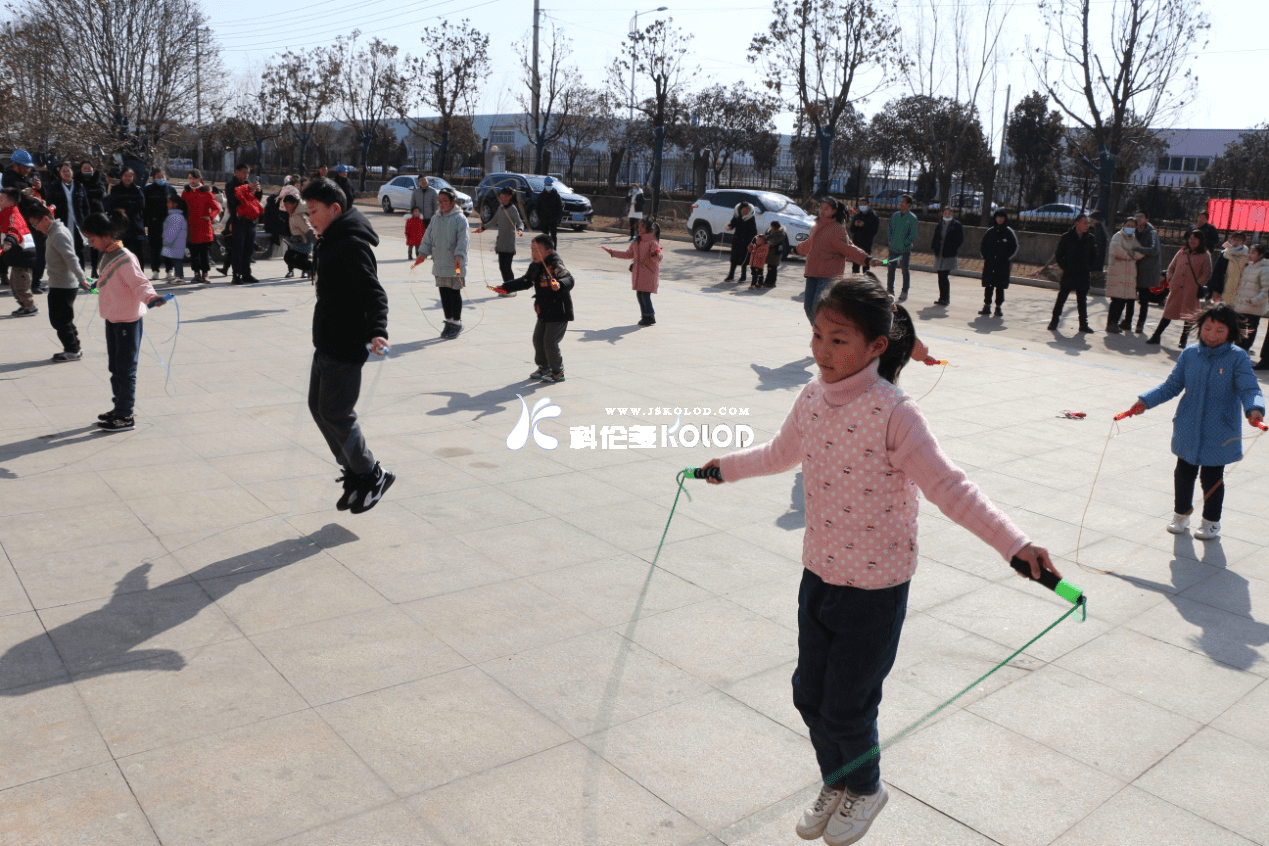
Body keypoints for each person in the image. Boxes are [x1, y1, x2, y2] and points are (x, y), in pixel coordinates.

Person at [698, 275, 1057, 846]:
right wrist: (726, 467)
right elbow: (779, 453)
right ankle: (836, 780)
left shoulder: (894, 414)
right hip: (819, 574)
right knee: (808, 695)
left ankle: (865, 788)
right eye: (817, 335)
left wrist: (1014, 544)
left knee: (848, 706)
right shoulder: (811, 397)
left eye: (838, 340)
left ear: (876, 347)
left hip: (875, 590)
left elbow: (950, 488)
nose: (822, 351)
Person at [1126, 303, 1264, 541]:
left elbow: (1250, 388)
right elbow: (1171, 385)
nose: (1212, 335)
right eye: (1207, 328)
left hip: (1220, 430)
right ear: (1200, 327)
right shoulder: (1190, 354)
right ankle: (1181, 515)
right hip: (1188, 425)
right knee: (1183, 473)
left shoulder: (1237, 357)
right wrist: (1145, 401)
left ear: (1230, 332)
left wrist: (1255, 409)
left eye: (1220, 330)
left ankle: (1211, 522)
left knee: (1212, 478)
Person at [300, 177, 394, 514]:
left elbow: (374, 292)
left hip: (346, 343)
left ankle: (371, 473)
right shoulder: (331, 238)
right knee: (319, 408)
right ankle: (356, 471)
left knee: (336, 413)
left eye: (314, 211)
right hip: (327, 340)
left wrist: (377, 330)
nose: (309, 218)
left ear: (335, 209)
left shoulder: (351, 244)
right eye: (307, 211)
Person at [84, 209, 168, 431]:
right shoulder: (109, 254)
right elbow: (110, 280)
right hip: (113, 319)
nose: (91, 244)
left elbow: (140, 283)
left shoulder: (125, 258)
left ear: (105, 235)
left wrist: (151, 297)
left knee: (125, 369)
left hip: (127, 321)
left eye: (92, 239)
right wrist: (95, 284)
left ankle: (125, 415)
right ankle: (119, 407)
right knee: (115, 367)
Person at [492, 234, 575, 383]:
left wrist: (559, 284)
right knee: (538, 339)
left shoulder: (555, 264)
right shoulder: (535, 266)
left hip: (559, 311)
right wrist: (505, 287)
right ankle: (544, 367)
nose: (533, 254)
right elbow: (526, 281)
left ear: (548, 251)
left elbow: (569, 279)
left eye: (537, 250)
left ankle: (557, 372)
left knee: (550, 341)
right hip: (543, 310)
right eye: (532, 250)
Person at [26, 203, 88, 360]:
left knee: (60, 320)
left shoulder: (58, 234)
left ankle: (72, 350)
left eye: (35, 224)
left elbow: (71, 258)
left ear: (46, 219)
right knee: (64, 319)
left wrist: (81, 277)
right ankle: (74, 347)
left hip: (63, 285)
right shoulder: (55, 232)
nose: (35, 228)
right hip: (59, 283)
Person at [797, 197, 872, 323]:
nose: (822, 211)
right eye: (821, 208)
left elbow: (848, 248)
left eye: (826, 209)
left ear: (834, 211)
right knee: (808, 307)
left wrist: (866, 259)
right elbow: (810, 243)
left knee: (817, 307)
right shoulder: (817, 226)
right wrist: (797, 249)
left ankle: (823, 332)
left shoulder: (838, 229)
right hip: (813, 271)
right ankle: (821, 331)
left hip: (828, 274)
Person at [415, 187, 471, 339]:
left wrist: (459, 255)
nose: (441, 204)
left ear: (453, 202)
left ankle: (456, 322)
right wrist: (423, 253)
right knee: (444, 293)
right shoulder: (435, 218)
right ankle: (448, 321)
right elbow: (428, 237)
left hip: (455, 264)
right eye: (439, 201)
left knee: (454, 293)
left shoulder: (460, 219)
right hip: (439, 263)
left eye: (445, 201)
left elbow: (464, 239)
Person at [1147, 229, 1210, 348]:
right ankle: (1156, 335)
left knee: (1189, 316)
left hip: (1191, 291)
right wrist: (1171, 280)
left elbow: (1206, 274)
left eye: (1195, 238)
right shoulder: (1182, 252)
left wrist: (1197, 285)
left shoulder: (1205, 256)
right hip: (1176, 288)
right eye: (1190, 238)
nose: (1191, 240)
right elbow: (1171, 268)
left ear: (1200, 241)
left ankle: (1183, 339)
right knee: (1168, 312)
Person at [601, 218, 661, 325]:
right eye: (639, 226)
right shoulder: (637, 242)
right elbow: (628, 254)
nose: (639, 228)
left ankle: (650, 316)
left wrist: (655, 255)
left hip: (649, 273)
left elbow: (659, 257)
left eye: (642, 226)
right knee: (640, 295)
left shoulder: (653, 242)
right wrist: (612, 252)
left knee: (645, 295)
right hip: (639, 273)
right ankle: (645, 316)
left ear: (648, 228)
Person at [1048, 213, 1097, 333]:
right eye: (1084, 223)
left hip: (1083, 274)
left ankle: (1083, 325)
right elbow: (1059, 255)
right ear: (1077, 223)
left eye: (1088, 223)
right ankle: (1054, 322)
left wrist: (1088, 267)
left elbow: (1094, 256)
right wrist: (1066, 267)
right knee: (1061, 298)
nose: (1087, 225)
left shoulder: (1090, 238)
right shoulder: (1067, 237)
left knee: (1082, 301)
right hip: (1069, 273)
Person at [475, 186, 523, 292]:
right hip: (500, 244)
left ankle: (511, 289)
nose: (503, 199)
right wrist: (483, 228)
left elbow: (520, 222)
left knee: (507, 267)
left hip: (509, 245)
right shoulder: (500, 208)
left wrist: (520, 230)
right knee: (502, 268)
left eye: (506, 197)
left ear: (510, 197)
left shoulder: (512, 209)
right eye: (502, 197)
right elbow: (493, 221)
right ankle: (507, 288)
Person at [1, 187, 38, 316]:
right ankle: (24, 305)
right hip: (17, 256)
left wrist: (8, 242)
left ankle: (30, 306)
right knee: (14, 284)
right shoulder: (5, 212)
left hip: (24, 255)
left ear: (11, 201)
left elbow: (15, 230)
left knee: (21, 285)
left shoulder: (13, 215)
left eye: (1, 199)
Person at [45, 162, 89, 267]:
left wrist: (86, 221)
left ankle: (81, 274)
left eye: (68, 171)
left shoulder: (79, 186)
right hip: (62, 222)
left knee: (79, 249)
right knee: (63, 249)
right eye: (63, 171)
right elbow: (49, 204)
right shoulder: (55, 186)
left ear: (72, 172)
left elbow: (86, 206)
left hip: (77, 223)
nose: (66, 173)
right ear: (60, 173)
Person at [1231, 242, 1269, 365]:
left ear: (1261, 255)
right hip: (1242, 306)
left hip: (1253, 308)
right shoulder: (1248, 267)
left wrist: (1253, 301)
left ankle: (1241, 358)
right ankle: (1237, 358)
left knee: (1248, 335)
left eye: (1253, 252)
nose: (1250, 255)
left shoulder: (1265, 269)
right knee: (1238, 334)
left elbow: (1266, 290)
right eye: (1250, 252)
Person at [181, 170, 220, 284]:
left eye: (194, 178)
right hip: (191, 227)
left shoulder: (206, 192)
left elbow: (216, 208)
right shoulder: (185, 192)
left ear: (199, 179)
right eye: (190, 178)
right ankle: (196, 274)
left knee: (204, 253)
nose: (192, 181)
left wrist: (210, 216)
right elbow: (181, 207)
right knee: (194, 253)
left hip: (204, 227)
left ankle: (205, 274)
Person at [978, 209, 1018, 317]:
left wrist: (1006, 258)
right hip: (990, 263)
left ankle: (998, 307)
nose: (1000, 219)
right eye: (998, 217)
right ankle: (987, 306)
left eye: (1002, 218)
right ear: (995, 218)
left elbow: (1014, 247)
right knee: (988, 285)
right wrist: (986, 257)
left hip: (1002, 264)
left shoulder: (1009, 232)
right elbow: (983, 246)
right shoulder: (990, 231)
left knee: (1000, 286)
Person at [1104, 219, 1141, 334]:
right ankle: (1110, 324)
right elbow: (1116, 250)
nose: (1130, 227)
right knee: (1116, 300)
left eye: (1133, 226)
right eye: (1128, 225)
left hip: (1128, 276)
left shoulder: (1133, 239)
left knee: (1123, 302)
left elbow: (1140, 252)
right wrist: (1130, 256)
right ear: (1124, 225)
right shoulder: (1118, 236)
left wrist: (1132, 255)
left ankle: (1115, 323)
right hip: (1117, 274)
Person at [1130, 210, 1161, 333]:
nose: (1138, 219)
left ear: (1146, 219)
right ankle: (1127, 321)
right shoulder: (1133, 231)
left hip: (1146, 271)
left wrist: (1138, 249)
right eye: (1137, 216)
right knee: (1130, 298)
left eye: (1141, 217)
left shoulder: (1152, 233)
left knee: (1143, 300)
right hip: (1133, 269)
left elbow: (1154, 250)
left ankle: (1140, 324)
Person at [107, 168, 147, 264]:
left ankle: (139, 272)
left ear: (133, 177)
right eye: (125, 176)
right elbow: (111, 206)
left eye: (130, 176)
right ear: (121, 177)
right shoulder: (115, 189)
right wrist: (121, 210)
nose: (128, 178)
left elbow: (141, 206)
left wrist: (125, 209)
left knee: (137, 253)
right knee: (121, 253)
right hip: (120, 226)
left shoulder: (137, 190)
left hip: (135, 226)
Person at [143, 168, 176, 280]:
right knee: (155, 249)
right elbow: (145, 208)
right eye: (158, 176)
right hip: (154, 223)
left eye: (162, 176)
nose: (161, 178)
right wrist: (145, 223)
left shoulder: (171, 189)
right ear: (153, 178)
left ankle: (169, 270)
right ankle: (155, 271)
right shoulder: (148, 190)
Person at [76, 161, 108, 276]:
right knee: (80, 243)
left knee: (96, 243)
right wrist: (91, 195)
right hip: (82, 216)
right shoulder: (77, 182)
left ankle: (94, 268)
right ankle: (80, 270)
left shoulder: (98, 180)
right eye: (84, 168)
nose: (87, 170)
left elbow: (101, 192)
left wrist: (87, 193)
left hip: (96, 215)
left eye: (89, 168)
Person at [885, 195, 918, 300]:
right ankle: (890, 290)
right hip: (893, 248)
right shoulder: (895, 216)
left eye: (903, 202)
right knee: (891, 269)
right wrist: (890, 240)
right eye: (901, 201)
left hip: (904, 250)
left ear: (908, 204)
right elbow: (889, 229)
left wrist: (905, 243)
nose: (901, 204)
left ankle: (904, 291)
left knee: (904, 270)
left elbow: (913, 235)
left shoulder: (912, 218)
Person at [929, 207, 963, 306]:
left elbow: (960, 239)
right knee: (940, 276)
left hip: (949, 255)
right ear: (942, 214)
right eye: (945, 213)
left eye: (949, 213)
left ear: (952, 214)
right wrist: (934, 248)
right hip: (939, 254)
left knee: (944, 276)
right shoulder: (940, 224)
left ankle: (946, 298)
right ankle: (941, 298)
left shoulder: (956, 225)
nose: (947, 215)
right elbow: (935, 237)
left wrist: (953, 248)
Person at [281, 195, 315, 280]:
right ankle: (312, 269)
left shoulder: (299, 215)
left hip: (303, 242)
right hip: (297, 241)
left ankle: (313, 269)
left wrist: (317, 244)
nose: (286, 208)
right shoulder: (294, 212)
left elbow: (309, 230)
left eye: (287, 205)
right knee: (291, 258)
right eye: (285, 206)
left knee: (290, 258)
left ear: (294, 204)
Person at [1210, 231, 1249, 304]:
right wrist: (1216, 290)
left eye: (1239, 240)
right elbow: (1217, 273)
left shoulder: (1247, 256)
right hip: (1224, 289)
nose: (1235, 242)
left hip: (1240, 291)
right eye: (1234, 239)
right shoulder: (1224, 254)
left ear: (1244, 242)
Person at [723, 202, 758, 283]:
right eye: (743, 210)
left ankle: (743, 276)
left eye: (746, 210)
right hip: (736, 240)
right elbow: (732, 224)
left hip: (746, 242)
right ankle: (731, 275)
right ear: (741, 210)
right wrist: (728, 227)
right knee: (733, 259)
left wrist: (751, 243)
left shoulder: (751, 218)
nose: (745, 212)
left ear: (749, 210)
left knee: (744, 260)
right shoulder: (737, 216)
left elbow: (753, 232)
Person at [161, 195, 189, 282]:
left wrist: (167, 240)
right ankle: (178, 275)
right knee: (176, 260)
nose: (167, 204)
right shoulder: (176, 214)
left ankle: (180, 276)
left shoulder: (175, 216)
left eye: (169, 202)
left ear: (175, 204)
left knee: (177, 260)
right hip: (177, 242)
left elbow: (173, 230)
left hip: (176, 242)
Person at [849, 199, 879, 273]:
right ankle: (855, 279)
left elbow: (874, 231)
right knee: (855, 266)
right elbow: (851, 230)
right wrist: (855, 225)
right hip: (857, 244)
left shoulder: (873, 217)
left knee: (866, 266)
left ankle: (866, 279)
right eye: (861, 205)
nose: (862, 206)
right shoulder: (857, 216)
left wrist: (864, 225)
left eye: (864, 205)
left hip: (866, 244)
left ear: (869, 205)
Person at [536, 176, 564, 248]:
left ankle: (553, 250)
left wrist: (558, 218)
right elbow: (538, 208)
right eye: (546, 185)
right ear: (544, 185)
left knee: (553, 236)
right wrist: (540, 218)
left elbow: (560, 208)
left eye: (549, 185)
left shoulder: (556, 196)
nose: (548, 186)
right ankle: (545, 249)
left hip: (553, 219)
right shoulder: (541, 195)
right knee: (545, 236)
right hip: (544, 219)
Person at [764, 220, 789, 288]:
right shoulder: (770, 232)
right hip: (770, 253)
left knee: (773, 268)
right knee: (769, 267)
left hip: (776, 254)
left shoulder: (781, 234)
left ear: (776, 227)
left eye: (772, 227)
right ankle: (767, 281)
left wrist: (767, 243)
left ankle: (772, 282)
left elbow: (774, 241)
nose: (771, 228)